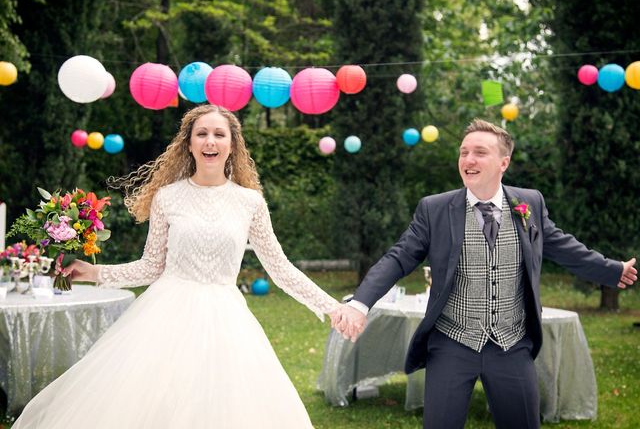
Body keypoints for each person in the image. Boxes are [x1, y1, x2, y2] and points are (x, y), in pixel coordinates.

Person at [14, 104, 341, 428]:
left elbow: (280, 267)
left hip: (227, 319)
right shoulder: (167, 197)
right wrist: (95, 272)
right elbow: (152, 266)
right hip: (165, 314)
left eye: (218, 134)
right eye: (201, 134)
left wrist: (332, 307)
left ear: (232, 144)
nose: (210, 141)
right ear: (189, 144)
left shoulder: (250, 202)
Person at [331, 119, 637, 429]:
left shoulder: (529, 203)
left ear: (503, 162)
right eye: (464, 152)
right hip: (452, 341)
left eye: (480, 152)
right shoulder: (434, 209)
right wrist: (360, 303)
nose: (468, 160)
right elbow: (398, 258)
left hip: (512, 343)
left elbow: (564, 247)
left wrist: (612, 270)